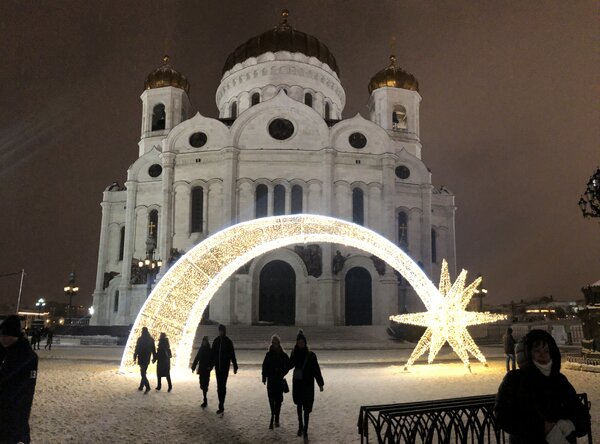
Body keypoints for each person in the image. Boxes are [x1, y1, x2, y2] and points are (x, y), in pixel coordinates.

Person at [495, 329, 590, 444]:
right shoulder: (515, 379)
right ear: (527, 353)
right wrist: (541, 427)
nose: (543, 355)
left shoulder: (559, 380)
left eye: (546, 351)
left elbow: (581, 415)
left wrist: (570, 425)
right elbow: (503, 416)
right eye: (537, 351)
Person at [0, 315, 38, 444]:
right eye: (1, 336)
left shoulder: (25, 356)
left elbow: (11, 380)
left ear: (16, 335)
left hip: (12, 411)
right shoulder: (5, 351)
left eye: (7, 336)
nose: (3, 339)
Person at [289, 329, 324, 440]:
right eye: (298, 342)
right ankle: (300, 425)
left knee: (307, 407)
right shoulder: (294, 353)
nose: (300, 344)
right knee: (299, 406)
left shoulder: (311, 355)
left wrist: (320, 383)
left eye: (302, 342)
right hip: (298, 384)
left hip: (308, 385)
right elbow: (289, 365)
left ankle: (305, 428)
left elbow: (316, 370)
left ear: (305, 343)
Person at [262, 334, 290, 429]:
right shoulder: (268, 354)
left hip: (278, 380)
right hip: (271, 380)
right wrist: (264, 377)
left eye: (276, 343)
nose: (275, 344)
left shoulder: (283, 355)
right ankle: (273, 414)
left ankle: (276, 417)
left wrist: (282, 372)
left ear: (279, 343)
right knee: (271, 399)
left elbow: (288, 365)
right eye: (273, 343)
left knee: (278, 400)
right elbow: (264, 366)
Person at [211, 324, 238, 415]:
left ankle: (221, 403)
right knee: (219, 386)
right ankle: (221, 404)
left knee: (223, 385)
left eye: (222, 331)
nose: (221, 332)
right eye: (220, 331)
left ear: (224, 331)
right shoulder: (216, 341)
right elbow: (212, 354)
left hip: (225, 367)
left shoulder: (228, 342)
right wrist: (210, 365)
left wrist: (235, 366)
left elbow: (232, 354)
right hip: (217, 368)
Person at [133, 327, 156, 394]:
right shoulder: (151, 339)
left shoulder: (140, 339)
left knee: (142, 373)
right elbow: (153, 350)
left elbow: (136, 349)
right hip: (147, 358)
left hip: (141, 358)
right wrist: (154, 358)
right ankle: (141, 386)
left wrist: (134, 356)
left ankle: (148, 387)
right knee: (144, 372)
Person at [191, 336, 213, 408]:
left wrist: (210, 367)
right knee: (201, 384)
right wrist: (193, 367)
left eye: (205, 341)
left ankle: (205, 399)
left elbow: (212, 360)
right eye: (203, 341)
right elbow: (197, 358)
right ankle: (204, 391)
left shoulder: (209, 350)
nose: (204, 343)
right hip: (201, 369)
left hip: (206, 370)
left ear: (207, 342)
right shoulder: (201, 349)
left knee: (205, 384)